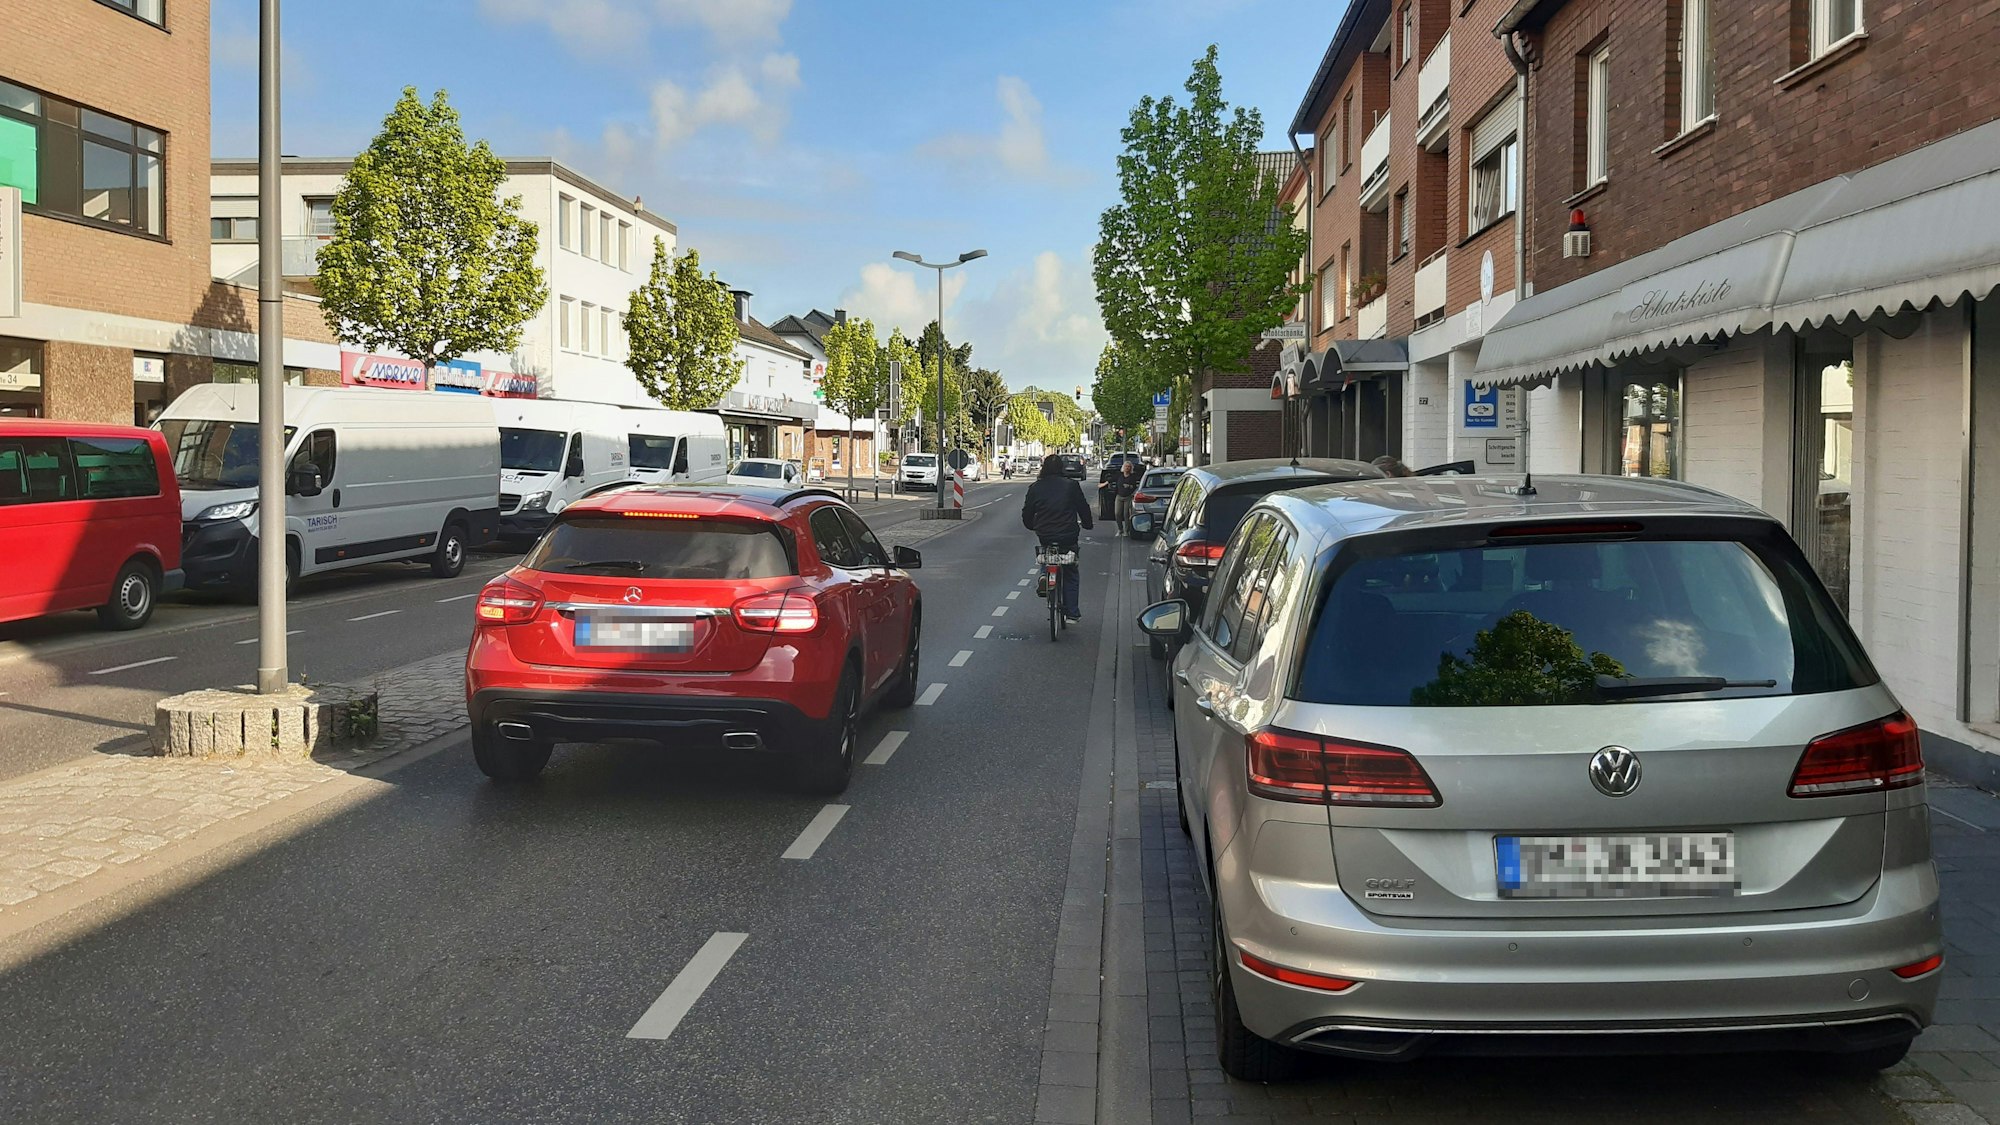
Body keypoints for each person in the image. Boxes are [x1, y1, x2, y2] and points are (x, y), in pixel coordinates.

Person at [1022, 453, 1094, 621]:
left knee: (1047, 555)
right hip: (1068, 534)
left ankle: (1044, 576)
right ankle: (1072, 613)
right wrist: (1088, 524)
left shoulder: (1035, 488)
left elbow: (1027, 513)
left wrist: (1032, 526)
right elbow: (1083, 507)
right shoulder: (1071, 486)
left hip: (1045, 534)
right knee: (1070, 571)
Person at [1113, 459, 1141, 530]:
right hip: (1119, 496)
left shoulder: (1132, 477)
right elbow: (1112, 480)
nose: (1127, 468)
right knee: (1117, 513)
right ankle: (1120, 529)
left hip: (1128, 497)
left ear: (1131, 468)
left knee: (1126, 514)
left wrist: (1128, 486)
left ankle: (1126, 530)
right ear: (1123, 467)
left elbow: (1134, 487)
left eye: (1129, 467)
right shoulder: (1119, 475)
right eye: (1126, 466)